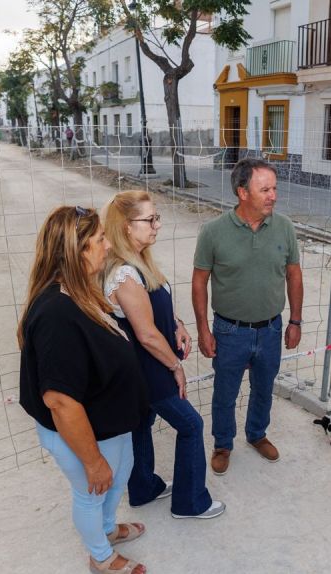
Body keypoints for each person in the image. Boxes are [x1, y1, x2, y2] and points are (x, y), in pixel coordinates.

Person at [17, 206, 149, 574]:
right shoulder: (56, 313)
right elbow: (59, 400)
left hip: (106, 422)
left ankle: (107, 529)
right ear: (77, 251)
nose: (108, 246)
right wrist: (91, 461)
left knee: (119, 474)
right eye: (100, 240)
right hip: (83, 431)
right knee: (94, 489)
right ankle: (101, 556)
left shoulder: (77, 292)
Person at [103, 191, 226, 520]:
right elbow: (145, 333)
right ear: (127, 226)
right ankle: (190, 502)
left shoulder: (140, 261)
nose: (157, 225)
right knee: (190, 425)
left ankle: (143, 488)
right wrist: (176, 366)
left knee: (143, 422)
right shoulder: (123, 273)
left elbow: (155, 308)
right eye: (150, 219)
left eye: (156, 217)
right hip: (147, 367)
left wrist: (178, 324)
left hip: (148, 364)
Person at [191, 158, 303, 475]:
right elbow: (199, 282)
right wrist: (203, 329)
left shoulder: (285, 227)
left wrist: (295, 321)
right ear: (243, 192)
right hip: (229, 331)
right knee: (225, 393)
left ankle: (257, 434)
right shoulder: (213, 232)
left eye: (274, 188)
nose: (273, 195)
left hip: (271, 329)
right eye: (264, 189)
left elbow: (294, 276)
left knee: (264, 389)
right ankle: (223, 444)